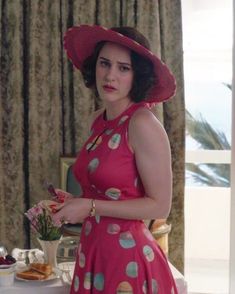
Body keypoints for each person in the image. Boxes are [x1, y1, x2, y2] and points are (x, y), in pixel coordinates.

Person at [53, 24, 177, 293]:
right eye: (104, 63)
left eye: (124, 68)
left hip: (128, 259)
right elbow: (106, 194)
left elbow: (160, 206)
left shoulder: (142, 122)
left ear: (137, 76)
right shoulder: (97, 120)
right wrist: (75, 202)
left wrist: (91, 206)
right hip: (93, 252)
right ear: (93, 67)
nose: (110, 75)